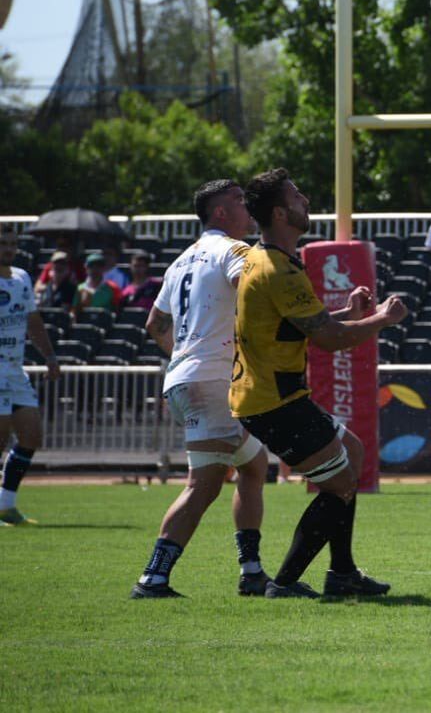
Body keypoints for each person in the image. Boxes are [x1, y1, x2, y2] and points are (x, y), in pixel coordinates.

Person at [231, 169, 409, 599]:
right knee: (341, 483)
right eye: (296, 195)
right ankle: (284, 583)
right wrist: (382, 319)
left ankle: (343, 572)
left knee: (353, 453)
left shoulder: (266, 258)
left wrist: (348, 313)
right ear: (279, 212)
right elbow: (329, 341)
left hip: (274, 394)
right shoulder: (279, 270)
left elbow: (306, 327)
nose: (305, 199)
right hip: (274, 401)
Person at [130, 180, 273, 599]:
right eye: (240, 204)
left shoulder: (179, 262)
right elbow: (255, 290)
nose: (248, 211)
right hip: (210, 382)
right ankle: (152, 578)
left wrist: (185, 355)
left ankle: (251, 571)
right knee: (204, 484)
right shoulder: (234, 251)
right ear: (221, 213)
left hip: (188, 379)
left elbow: (154, 326)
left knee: (254, 464)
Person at [0, 226, 61, 526]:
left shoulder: (22, 277)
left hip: (14, 369)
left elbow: (33, 321)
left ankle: (6, 505)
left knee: (31, 435)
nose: (8, 248)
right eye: (3, 243)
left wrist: (49, 356)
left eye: (12, 243)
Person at [74, 252, 123, 317]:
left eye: (98, 266)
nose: (95, 269)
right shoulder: (79, 288)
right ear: (86, 268)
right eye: (91, 266)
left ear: (104, 268)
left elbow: (118, 311)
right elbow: (74, 312)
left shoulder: (113, 288)